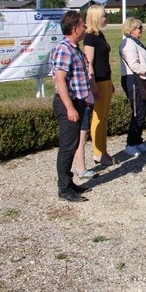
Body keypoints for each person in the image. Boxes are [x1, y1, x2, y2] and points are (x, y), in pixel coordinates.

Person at [50, 11, 92, 203]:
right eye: (83, 25)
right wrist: (70, 108)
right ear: (75, 29)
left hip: (78, 102)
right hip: (68, 104)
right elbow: (60, 81)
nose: (85, 28)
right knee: (67, 147)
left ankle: (69, 182)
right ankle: (64, 188)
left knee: (73, 144)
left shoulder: (74, 48)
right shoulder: (64, 49)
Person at [119, 18, 146, 156]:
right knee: (137, 113)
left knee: (142, 112)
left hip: (138, 79)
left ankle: (138, 141)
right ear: (131, 29)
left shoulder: (135, 42)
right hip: (133, 80)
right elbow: (135, 66)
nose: (142, 30)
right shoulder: (128, 44)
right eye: (139, 27)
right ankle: (130, 144)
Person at [83, 4, 114, 166]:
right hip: (99, 81)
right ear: (95, 18)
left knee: (104, 117)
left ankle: (103, 150)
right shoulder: (90, 37)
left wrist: (111, 82)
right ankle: (97, 152)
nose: (106, 18)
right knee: (98, 117)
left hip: (106, 80)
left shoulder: (99, 35)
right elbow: (89, 64)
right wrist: (93, 86)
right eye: (103, 16)